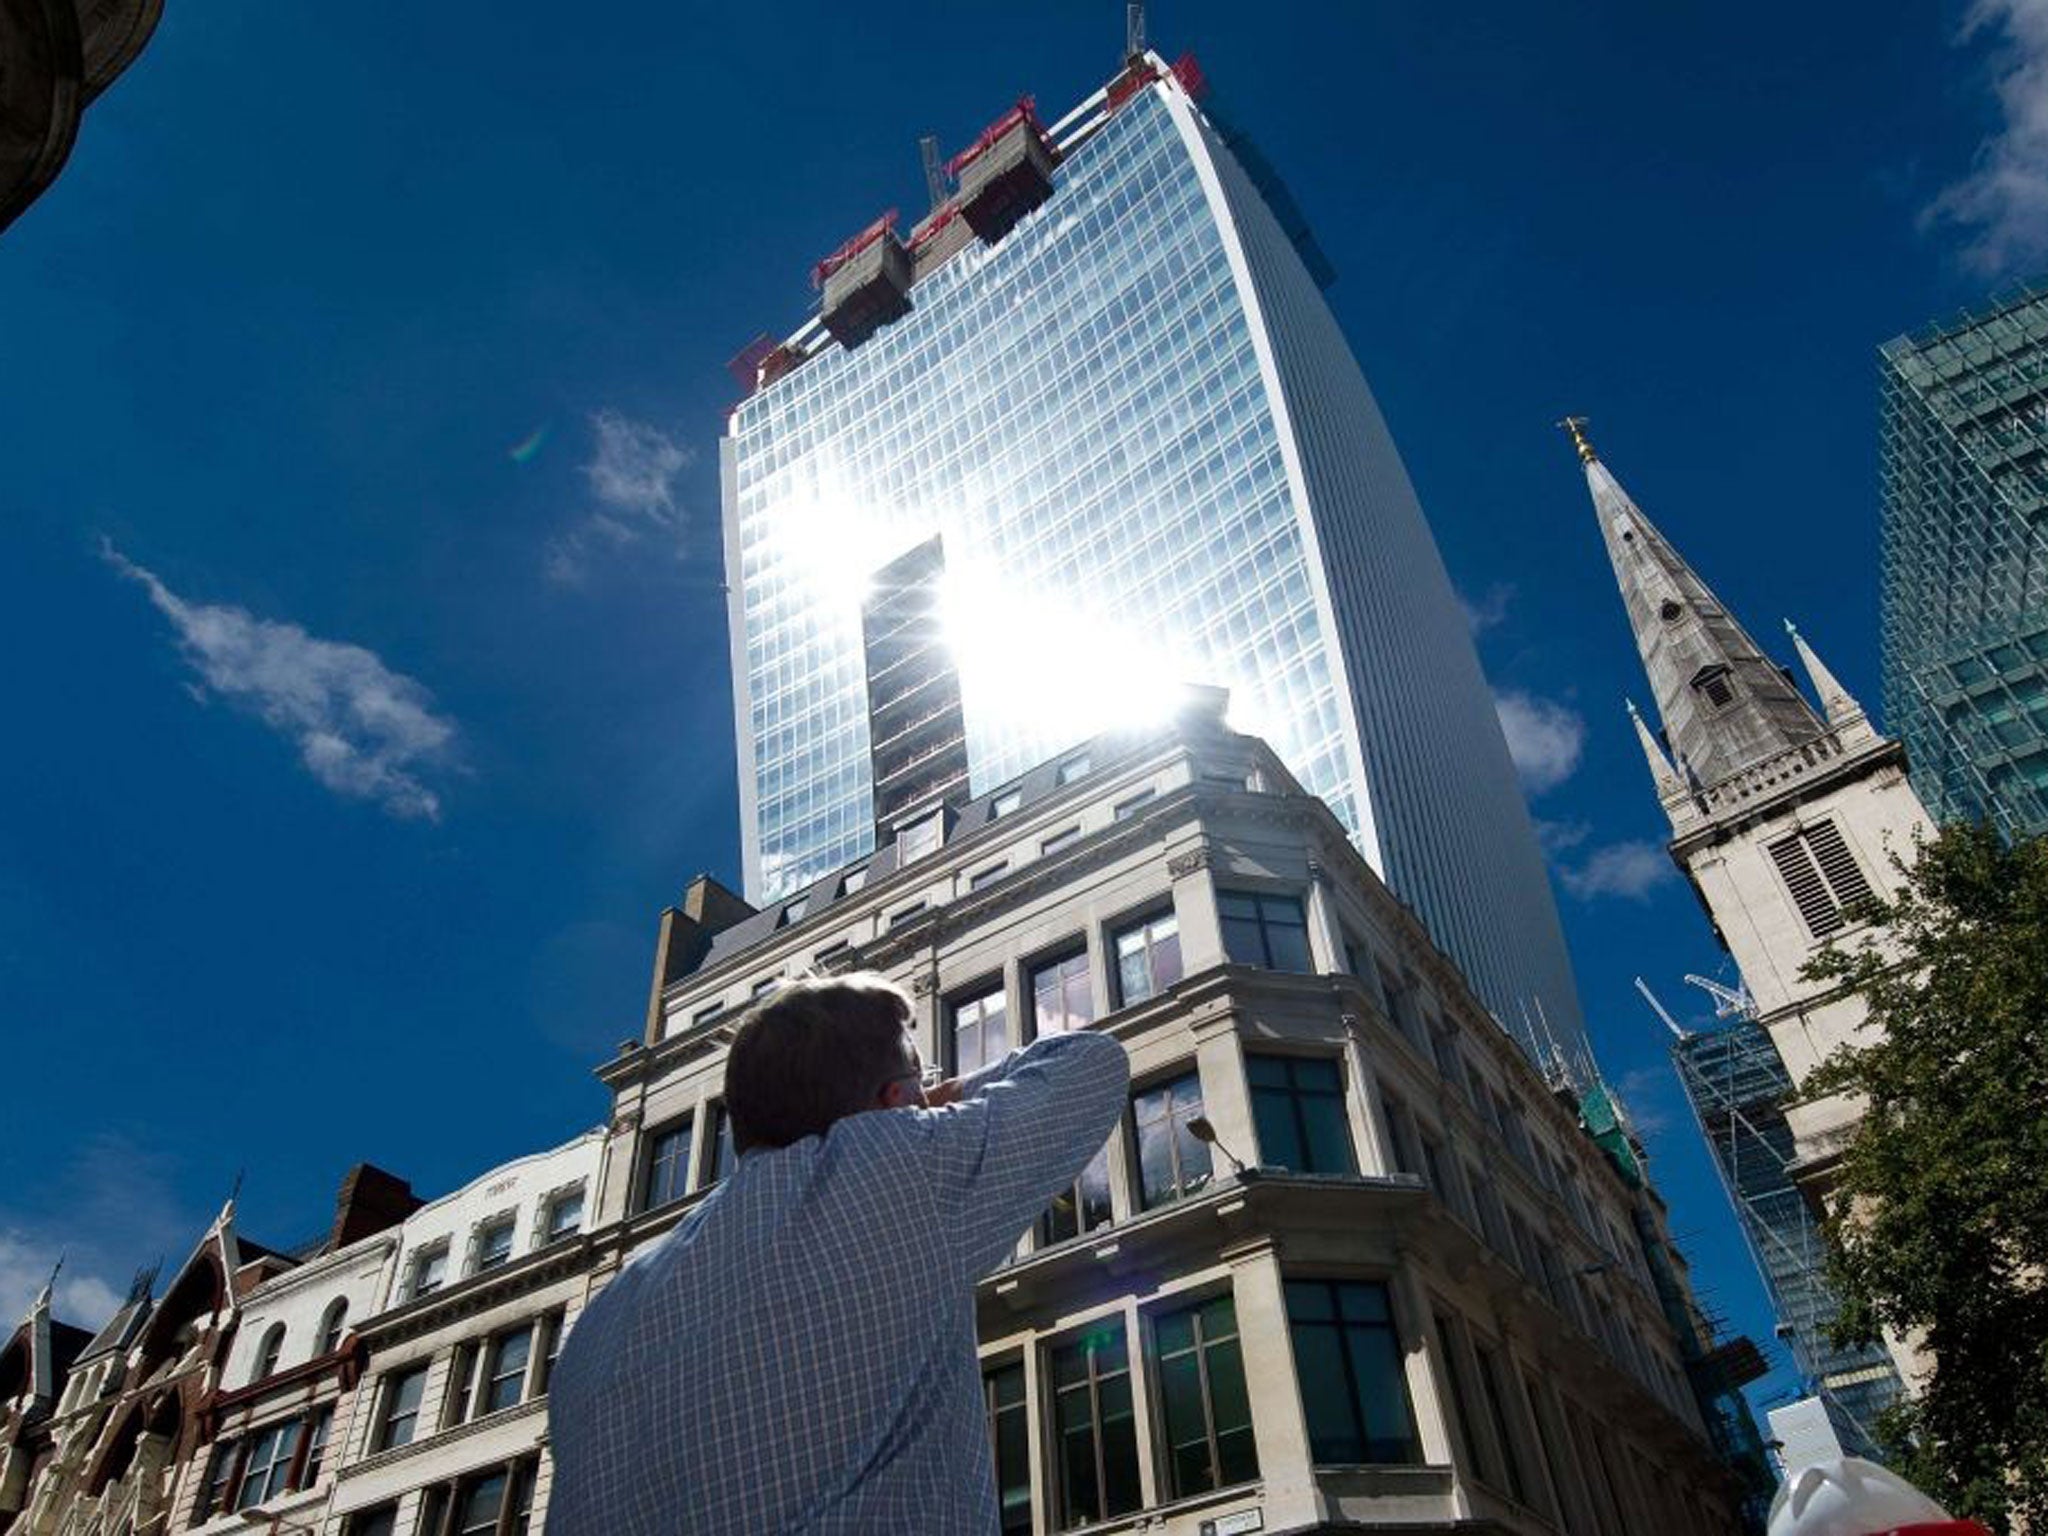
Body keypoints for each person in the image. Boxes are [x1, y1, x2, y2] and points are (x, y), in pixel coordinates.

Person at [546, 971, 1130, 1534]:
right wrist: (926, 1106)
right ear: (897, 1099)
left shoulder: (602, 1319)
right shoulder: (890, 1172)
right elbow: (1089, 1062)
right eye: (921, 1078)